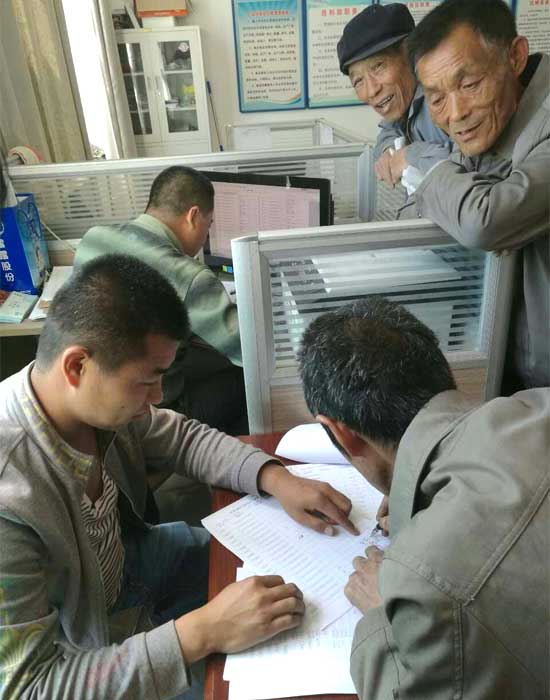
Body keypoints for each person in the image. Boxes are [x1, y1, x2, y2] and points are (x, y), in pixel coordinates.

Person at [0, 254, 358, 700]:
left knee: (269, 573)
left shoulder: (90, 403)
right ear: (77, 367)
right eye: (146, 381)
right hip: (82, 644)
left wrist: (276, 478)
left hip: (125, 564)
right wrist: (201, 633)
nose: (158, 396)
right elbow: (31, 688)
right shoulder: (10, 497)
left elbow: (181, 437)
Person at [298, 296, 549, 700]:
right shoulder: (538, 403)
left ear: (341, 433)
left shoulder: (423, 587)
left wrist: (382, 613)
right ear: (443, 370)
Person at [402, 0, 549, 390]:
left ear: (515, 57)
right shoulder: (486, 124)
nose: (455, 113)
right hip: (510, 368)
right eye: (436, 98)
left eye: (469, 85)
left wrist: (422, 168)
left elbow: (484, 221)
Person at [75, 165, 247, 436]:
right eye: (209, 225)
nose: (206, 235)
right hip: (150, 413)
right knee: (245, 379)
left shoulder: (93, 238)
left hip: (92, 400)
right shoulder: (189, 276)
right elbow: (248, 350)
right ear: (193, 216)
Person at [337, 3, 451, 189]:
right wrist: (388, 150)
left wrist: (409, 155)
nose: (372, 90)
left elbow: (468, 171)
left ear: (410, 53)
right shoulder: (404, 103)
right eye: (358, 81)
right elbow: (389, 130)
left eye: (378, 66)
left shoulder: (446, 99)